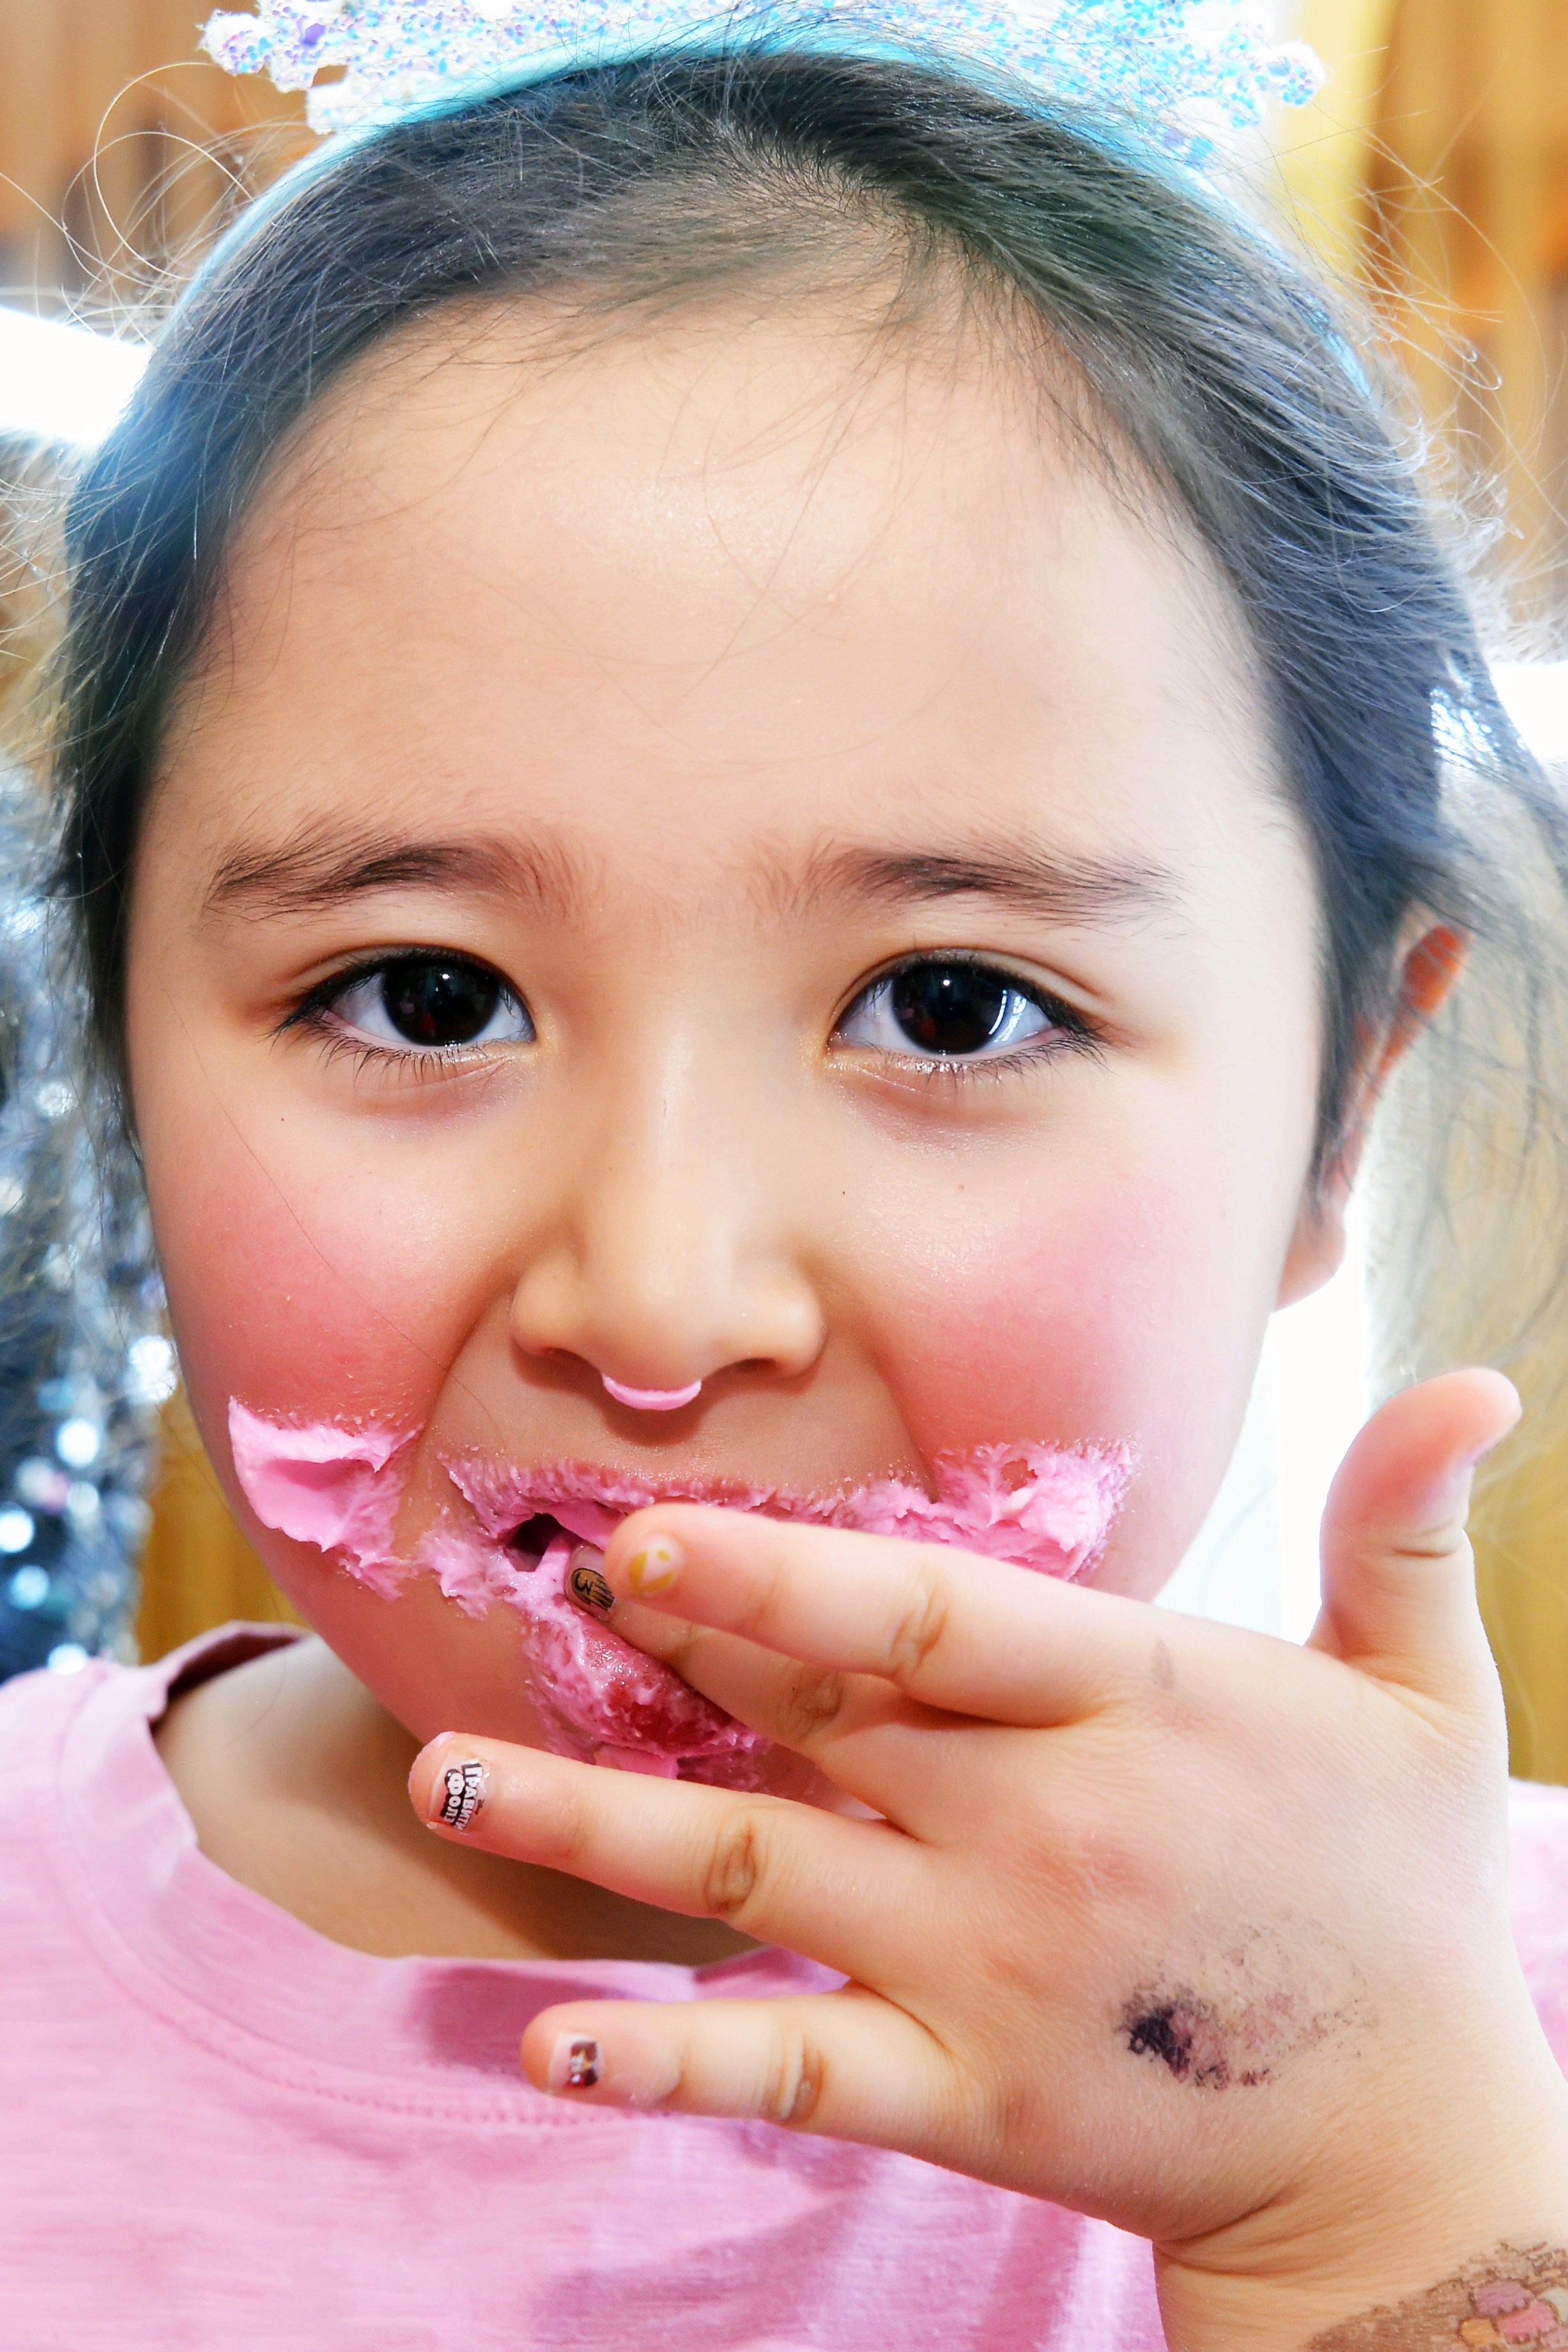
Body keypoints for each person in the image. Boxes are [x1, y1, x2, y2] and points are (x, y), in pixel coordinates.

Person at [5, 7, 1568, 2345]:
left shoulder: (1493, 2038)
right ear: (122, 1057)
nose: (657, 1296)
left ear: (1339, 1110)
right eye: (424, 999)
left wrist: (1374, 2220)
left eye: (951, 1007)